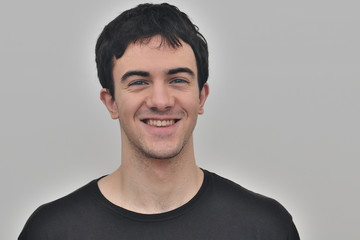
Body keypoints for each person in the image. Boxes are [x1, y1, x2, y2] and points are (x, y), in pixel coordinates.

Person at [19, 3, 300, 239]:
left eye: (177, 80)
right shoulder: (52, 231)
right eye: (139, 82)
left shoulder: (264, 227)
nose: (161, 101)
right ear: (111, 102)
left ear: (201, 97)